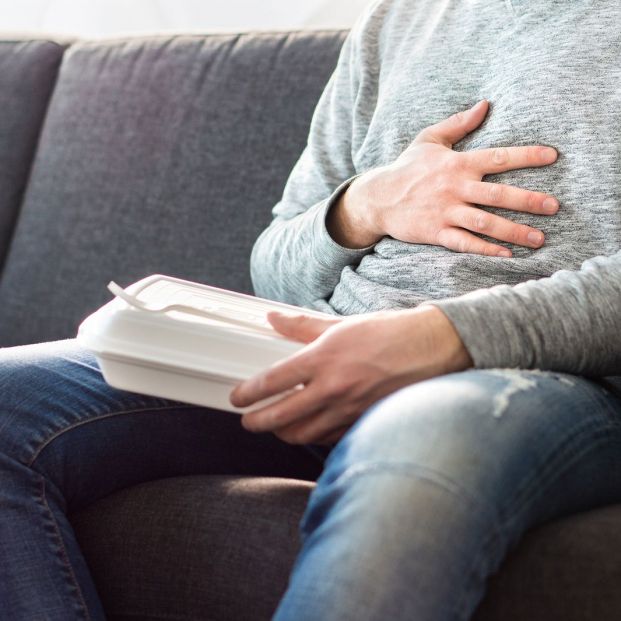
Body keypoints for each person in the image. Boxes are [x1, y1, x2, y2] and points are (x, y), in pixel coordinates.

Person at [1, 0, 620, 619]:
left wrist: (443, 335)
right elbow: (273, 267)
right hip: (321, 350)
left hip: (540, 378)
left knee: (417, 446)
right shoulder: (397, 20)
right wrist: (363, 206)